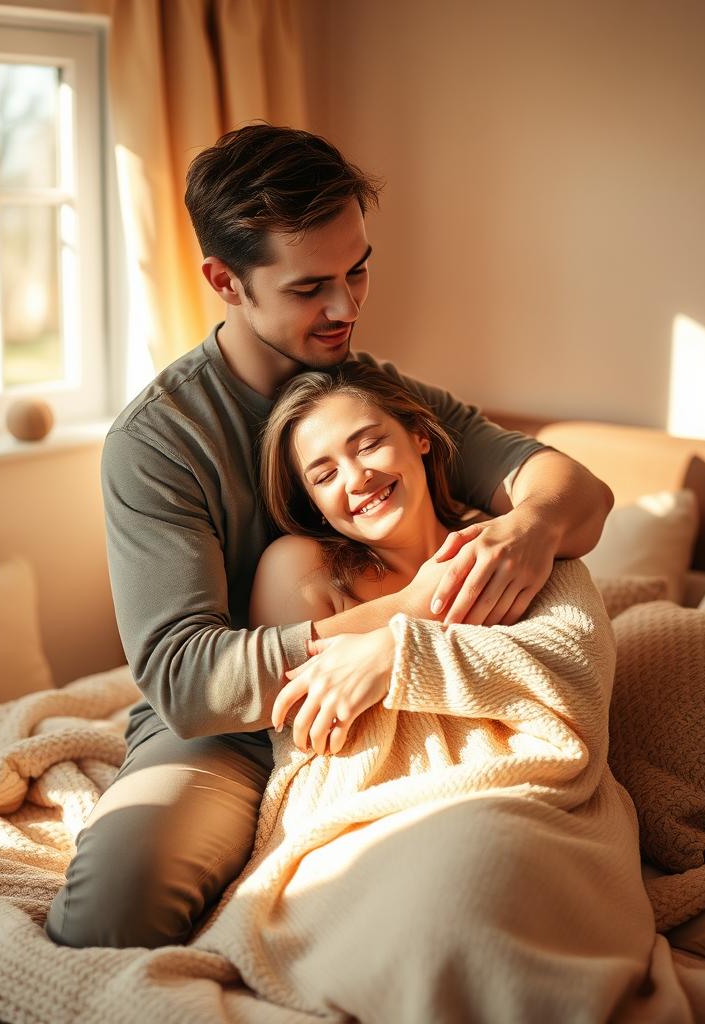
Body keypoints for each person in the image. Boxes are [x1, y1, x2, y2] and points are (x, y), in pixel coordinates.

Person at [45, 124, 614, 950]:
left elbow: (581, 494)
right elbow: (183, 679)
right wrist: (406, 613)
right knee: (112, 913)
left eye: (358, 270)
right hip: (229, 728)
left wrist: (531, 523)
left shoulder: (376, 392)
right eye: (311, 286)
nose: (346, 307)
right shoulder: (158, 442)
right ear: (225, 282)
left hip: (406, 704)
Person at [186, 361, 665, 1022]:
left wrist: (399, 654)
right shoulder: (301, 566)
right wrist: (416, 609)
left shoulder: (515, 547)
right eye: (323, 474)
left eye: (367, 443)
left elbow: (575, 674)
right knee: (429, 906)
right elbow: (295, 694)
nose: (356, 479)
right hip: (362, 811)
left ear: (420, 436)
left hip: (523, 797)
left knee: (483, 877)